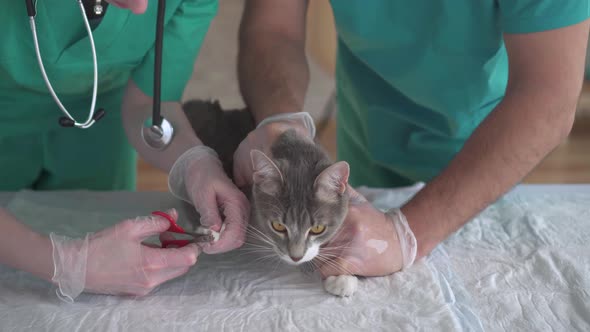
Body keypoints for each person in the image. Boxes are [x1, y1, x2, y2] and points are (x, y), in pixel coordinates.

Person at [233, 1, 590, 277]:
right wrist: (281, 122)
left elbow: (549, 96)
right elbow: (273, 27)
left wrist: (407, 234)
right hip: (365, 136)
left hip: (482, 157)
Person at [0, 0, 249, 301]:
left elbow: (151, 104)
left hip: (102, 121)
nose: (142, 8)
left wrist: (193, 162)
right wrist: (65, 263)